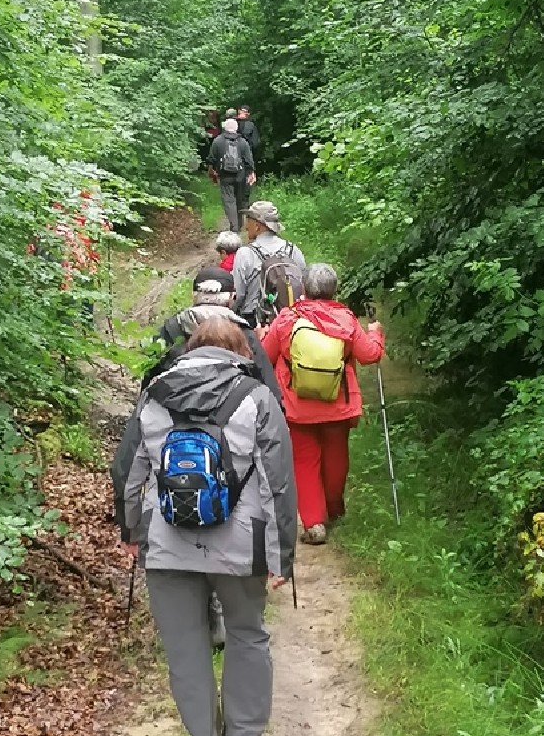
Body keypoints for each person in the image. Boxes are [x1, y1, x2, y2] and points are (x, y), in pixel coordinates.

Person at [112, 318, 297, 736]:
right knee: (247, 633)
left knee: (185, 647)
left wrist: (133, 532)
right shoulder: (256, 397)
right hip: (240, 547)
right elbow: (277, 483)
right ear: (240, 352)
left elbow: (128, 474)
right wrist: (281, 556)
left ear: (189, 349)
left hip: (167, 545)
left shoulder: (154, 395)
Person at [260, 262, 384, 545]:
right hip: (337, 404)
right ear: (334, 290)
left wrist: (263, 336)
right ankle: (335, 509)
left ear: (303, 287)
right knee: (336, 457)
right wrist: (376, 333)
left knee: (305, 461)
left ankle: (314, 523)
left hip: (298, 406)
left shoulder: (287, 318)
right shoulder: (346, 319)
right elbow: (369, 355)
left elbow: (265, 357)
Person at [146, 267, 283, 408]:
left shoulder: (172, 328)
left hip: (174, 411)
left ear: (194, 296)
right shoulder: (243, 332)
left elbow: (149, 379)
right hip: (232, 413)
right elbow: (268, 386)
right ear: (232, 298)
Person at [232, 200, 306, 328]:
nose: (246, 227)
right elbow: (303, 285)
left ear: (257, 226)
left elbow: (240, 295)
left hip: (254, 322)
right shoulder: (293, 250)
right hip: (290, 321)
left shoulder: (245, 253)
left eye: (248, 221)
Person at [208, 117, 255, 231]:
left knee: (229, 200)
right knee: (239, 199)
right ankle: (239, 224)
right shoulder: (243, 142)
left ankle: (234, 226)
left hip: (225, 176)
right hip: (240, 175)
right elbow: (249, 160)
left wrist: (212, 172)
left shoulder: (218, 141)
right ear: (236, 129)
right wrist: (251, 172)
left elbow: (211, 159)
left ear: (225, 128)